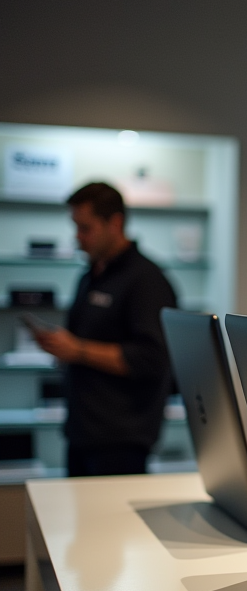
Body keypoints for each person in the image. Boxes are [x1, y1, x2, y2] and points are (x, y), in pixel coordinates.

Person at [33, 182, 177, 476]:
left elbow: (152, 358)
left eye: (86, 228)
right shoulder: (90, 274)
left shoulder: (146, 280)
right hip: (81, 431)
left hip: (121, 441)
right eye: (76, 227)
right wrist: (63, 348)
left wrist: (78, 350)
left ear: (115, 223)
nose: (78, 237)